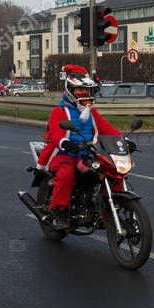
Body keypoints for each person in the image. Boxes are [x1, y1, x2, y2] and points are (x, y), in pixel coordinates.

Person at [39, 65, 121, 230]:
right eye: (80, 91)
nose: (85, 95)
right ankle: (59, 212)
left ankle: (109, 209)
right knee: (66, 173)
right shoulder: (60, 111)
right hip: (63, 154)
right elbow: (54, 132)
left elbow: (106, 128)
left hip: (87, 154)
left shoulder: (91, 113)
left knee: (113, 170)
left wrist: (122, 139)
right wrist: (64, 142)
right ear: (70, 91)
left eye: (88, 91)